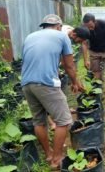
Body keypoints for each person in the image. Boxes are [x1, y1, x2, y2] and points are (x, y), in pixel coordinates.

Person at [21, 14, 82, 169]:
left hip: (27, 83)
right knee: (64, 120)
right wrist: (75, 82)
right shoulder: (61, 36)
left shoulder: (29, 37)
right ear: (58, 26)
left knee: (38, 121)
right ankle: (57, 158)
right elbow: (68, 65)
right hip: (46, 83)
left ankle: (48, 154)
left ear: (43, 25)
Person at [82, 13, 105, 95]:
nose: (89, 28)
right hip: (94, 51)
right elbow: (84, 43)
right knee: (96, 71)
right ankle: (98, 90)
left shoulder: (102, 23)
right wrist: (85, 60)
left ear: (95, 22)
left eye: (91, 26)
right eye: (87, 26)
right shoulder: (84, 28)